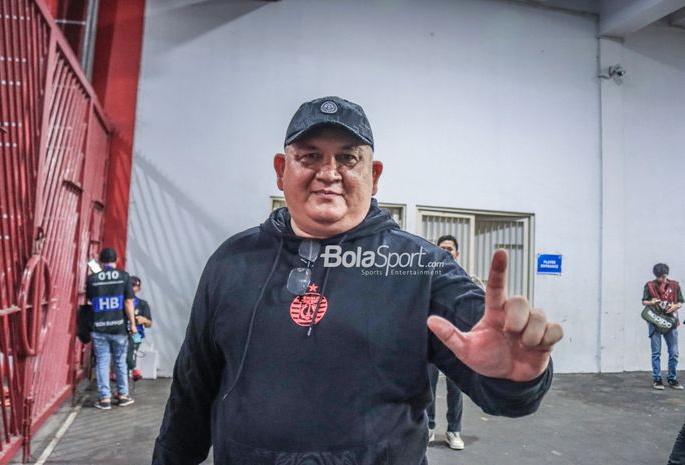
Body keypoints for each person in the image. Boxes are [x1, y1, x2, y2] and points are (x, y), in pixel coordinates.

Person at [152, 96, 563, 465]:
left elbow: (505, 392)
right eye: (310, 156)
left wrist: (516, 377)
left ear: (375, 175)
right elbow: (192, 390)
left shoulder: (421, 267)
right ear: (282, 170)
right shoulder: (232, 262)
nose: (328, 173)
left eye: (348, 159)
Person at [426, 235, 473, 450]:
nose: (446, 252)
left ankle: (454, 430)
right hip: (431, 342)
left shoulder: (464, 280)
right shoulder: (427, 279)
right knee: (428, 387)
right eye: (442, 248)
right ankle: (429, 427)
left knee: (456, 389)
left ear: (457, 253)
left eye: (450, 249)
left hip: (457, 344)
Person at [86, 247, 137, 409]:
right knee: (120, 362)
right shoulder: (124, 277)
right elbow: (128, 302)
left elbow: (90, 300)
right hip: (119, 327)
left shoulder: (93, 278)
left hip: (99, 327)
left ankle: (104, 399)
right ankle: (123, 395)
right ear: (116, 261)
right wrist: (133, 324)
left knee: (102, 362)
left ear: (100, 261)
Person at [642, 263, 684, 390]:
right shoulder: (649, 285)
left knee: (674, 352)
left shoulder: (675, 285)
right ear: (656, 276)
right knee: (656, 352)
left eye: (664, 276)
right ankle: (657, 379)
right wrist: (651, 301)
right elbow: (643, 301)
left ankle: (672, 378)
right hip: (655, 321)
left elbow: (681, 301)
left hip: (671, 322)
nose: (662, 279)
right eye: (660, 277)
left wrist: (675, 306)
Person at [127, 275, 153, 382]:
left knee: (131, 352)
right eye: (130, 285)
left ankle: (132, 370)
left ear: (139, 288)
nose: (132, 288)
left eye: (134, 285)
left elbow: (149, 323)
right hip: (124, 332)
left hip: (137, 334)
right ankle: (132, 371)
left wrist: (144, 320)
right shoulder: (123, 301)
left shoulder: (142, 304)